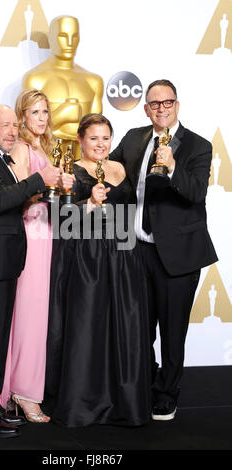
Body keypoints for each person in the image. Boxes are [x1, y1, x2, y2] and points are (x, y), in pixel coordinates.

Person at [110, 79, 218, 421]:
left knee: (172, 330)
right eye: (154, 104)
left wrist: (172, 165)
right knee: (139, 327)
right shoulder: (132, 138)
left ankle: (167, 393)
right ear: (146, 108)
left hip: (179, 254)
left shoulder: (198, 146)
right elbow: (111, 173)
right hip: (138, 249)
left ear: (177, 104)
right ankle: (145, 383)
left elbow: (196, 192)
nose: (161, 108)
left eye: (167, 102)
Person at [0, 104, 62, 437]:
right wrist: (38, 179)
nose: (12, 131)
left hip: (0, 264)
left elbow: (10, 199)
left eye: (14, 126)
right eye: (4, 126)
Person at [45, 113, 151, 427]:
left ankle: (125, 404)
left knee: (125, 325)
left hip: (124, 253)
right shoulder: (70, 171)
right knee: (87, 326)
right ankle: (84, 404)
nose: (100, 144)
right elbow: (60, 223)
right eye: (93, 138)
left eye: (105, 137)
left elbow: (132, 209)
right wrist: (89, 203)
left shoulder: (121, 167)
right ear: (80, 140)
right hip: (88, 255)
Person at [0, 89, 74, 423]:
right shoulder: (21, 148)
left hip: (48, 234)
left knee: (39, 313)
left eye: (45, 112)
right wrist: (46, 189)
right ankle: (24, 393)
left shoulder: (48, 147)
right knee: (28, 314)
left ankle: (22, 389)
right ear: (22, 116)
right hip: (30, 234)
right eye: (34, 112)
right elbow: (17, 194)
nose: (41, 118)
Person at [22, 15, 103, 159]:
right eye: (63, 36)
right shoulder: (35, 79)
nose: (70, 43)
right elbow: (28, 128)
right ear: (51, 39)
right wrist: (63, 114)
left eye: (75, 36)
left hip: (83, 166)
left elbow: (97, 132)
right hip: (45, 163)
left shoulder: (93, 81)